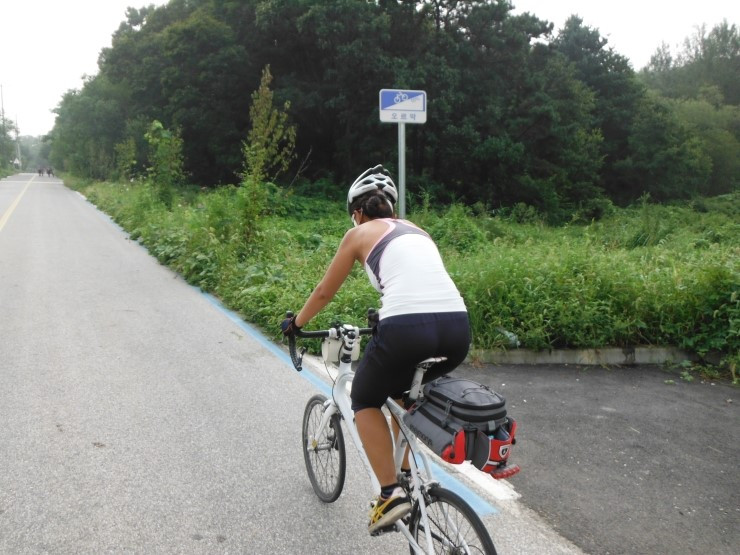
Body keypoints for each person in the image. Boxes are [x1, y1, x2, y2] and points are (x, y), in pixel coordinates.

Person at [281, 164, 470, 534]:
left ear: (357, 213)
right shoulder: (418, 231)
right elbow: (420, 284)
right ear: (392, 210)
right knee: (402, 392)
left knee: (365, 397)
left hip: (407, 328)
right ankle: (405, 471)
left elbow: (324, 291)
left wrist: (296, 324)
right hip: (457, 330)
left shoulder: (358, 234)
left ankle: (389, 494)